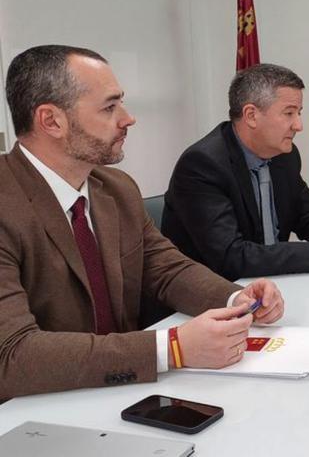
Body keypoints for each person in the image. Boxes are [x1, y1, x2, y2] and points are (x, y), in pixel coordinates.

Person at [0, 45, 285, 400]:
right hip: (35, 411)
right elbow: (12, 356)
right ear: (51, 121)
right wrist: (171, 348)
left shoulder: (116, 188)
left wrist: (235, 299)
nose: (127, 118)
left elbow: (166, 268)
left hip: (124, 393)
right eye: (109, 107)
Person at [162, 64, 309, 280]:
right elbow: (231, 257)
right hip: (210, 299)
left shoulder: (285, 155)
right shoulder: (202, 165)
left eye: (298, 113)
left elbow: (308, 215)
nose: (298, 125)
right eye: (289, 113)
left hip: (270, 285)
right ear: (251, 115)